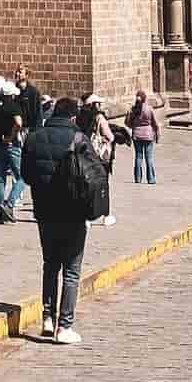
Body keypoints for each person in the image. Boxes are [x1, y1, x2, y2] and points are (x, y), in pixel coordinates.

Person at [21, 94, 108, 346]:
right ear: (72, 117)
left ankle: (47, 319)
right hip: (73, 212)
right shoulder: (78, 138)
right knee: (71, 271)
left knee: (50, 265)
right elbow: (95, 172)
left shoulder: (35, 137)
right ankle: (65, 326)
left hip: (45, 212)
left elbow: (25, 174)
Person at [0, 77, 25, 223]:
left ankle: (0, 213)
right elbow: (18, 123)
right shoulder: (13, 106)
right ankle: (9, 204)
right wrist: (11, 136)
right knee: (22, 177)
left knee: (0, 178)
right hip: (11, 145)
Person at [77, 94, 117, 227]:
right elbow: (109, 136)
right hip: (98, 158)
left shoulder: (79, 117)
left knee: (85, 185)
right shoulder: (99, 118)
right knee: (102, 186)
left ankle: (85, 217)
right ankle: (106, 215)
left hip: (84, 155)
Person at [127, 90, 160, 184]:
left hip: (136, 135)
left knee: (138, 156)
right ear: (145, 99)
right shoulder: (149, 109)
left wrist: (134, 126)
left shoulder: (133, 109)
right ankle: (151, 179)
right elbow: (155, 123)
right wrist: (157, 133)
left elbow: (128, 122)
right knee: (149, 157)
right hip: (148, 135)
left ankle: (138, 178)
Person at [14, 65, 44, 134]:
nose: (17, 74)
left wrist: (37, 131)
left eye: (20, 72)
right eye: (16, 72)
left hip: (29, 129)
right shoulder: (12, 90)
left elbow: (38, 113)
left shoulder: (33, 92)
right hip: (15, 130)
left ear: (27, 75)